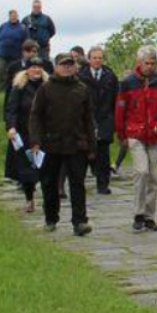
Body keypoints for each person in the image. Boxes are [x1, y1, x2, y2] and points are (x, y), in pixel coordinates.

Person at [116, 46, 157, 234]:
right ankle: (138, 213)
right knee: (141, 171)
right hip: (135, 134)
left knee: (154, 177)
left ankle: (149, 216)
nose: (150, 67)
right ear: (139, 63)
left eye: (153, 63)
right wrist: (121, 134)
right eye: (147, 63)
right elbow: (120, 110)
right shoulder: (128, 83)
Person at [29, 52, 96, 236]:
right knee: (49, 184)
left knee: (77, 184)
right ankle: (51, 218)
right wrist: (35, 141)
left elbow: (89, 119)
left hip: (76, 144)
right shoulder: (46, 88)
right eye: (63, 64)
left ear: (75, 67)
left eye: (70, 64)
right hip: (51, 143)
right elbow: (35, 116)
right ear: (56, 67)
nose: (67, 67)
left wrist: (91, 146)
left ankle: (80, 222)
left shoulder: (82, 88)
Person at [5, 57, 49, 213]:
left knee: (45, 167)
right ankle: (29, 199)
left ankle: (48, 199)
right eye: (33, 67)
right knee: (27, 169)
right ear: (27, 70)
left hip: (44, 133)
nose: (36, 70)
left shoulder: (47, 87)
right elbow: (11, 110)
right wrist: (11, 127)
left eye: (39, 67)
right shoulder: (19, 87)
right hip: (24, 133)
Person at [80, 46, 119, 194]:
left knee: (103, 154)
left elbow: (116, 99)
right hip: (86, 119)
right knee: (86, 153)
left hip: (105, 118)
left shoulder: (110, 76)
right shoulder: (81, 76)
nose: (97, 60)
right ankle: (80, 184)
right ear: (89, 59)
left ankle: (103, 185)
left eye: (100, 58)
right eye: (94, 58)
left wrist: (114, 120)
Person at [0, 10, 28, 92]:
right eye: (12, 15)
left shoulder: (23, 27)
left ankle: (13, 91)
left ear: (17, 16)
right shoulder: (3, 26)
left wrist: (25, 54)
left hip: (16, 56)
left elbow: (26, 41)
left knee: (14, 74)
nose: (14, 17)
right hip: (2, 54)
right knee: (1, 72)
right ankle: (1, 90)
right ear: (9, 16)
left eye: (15, 15)